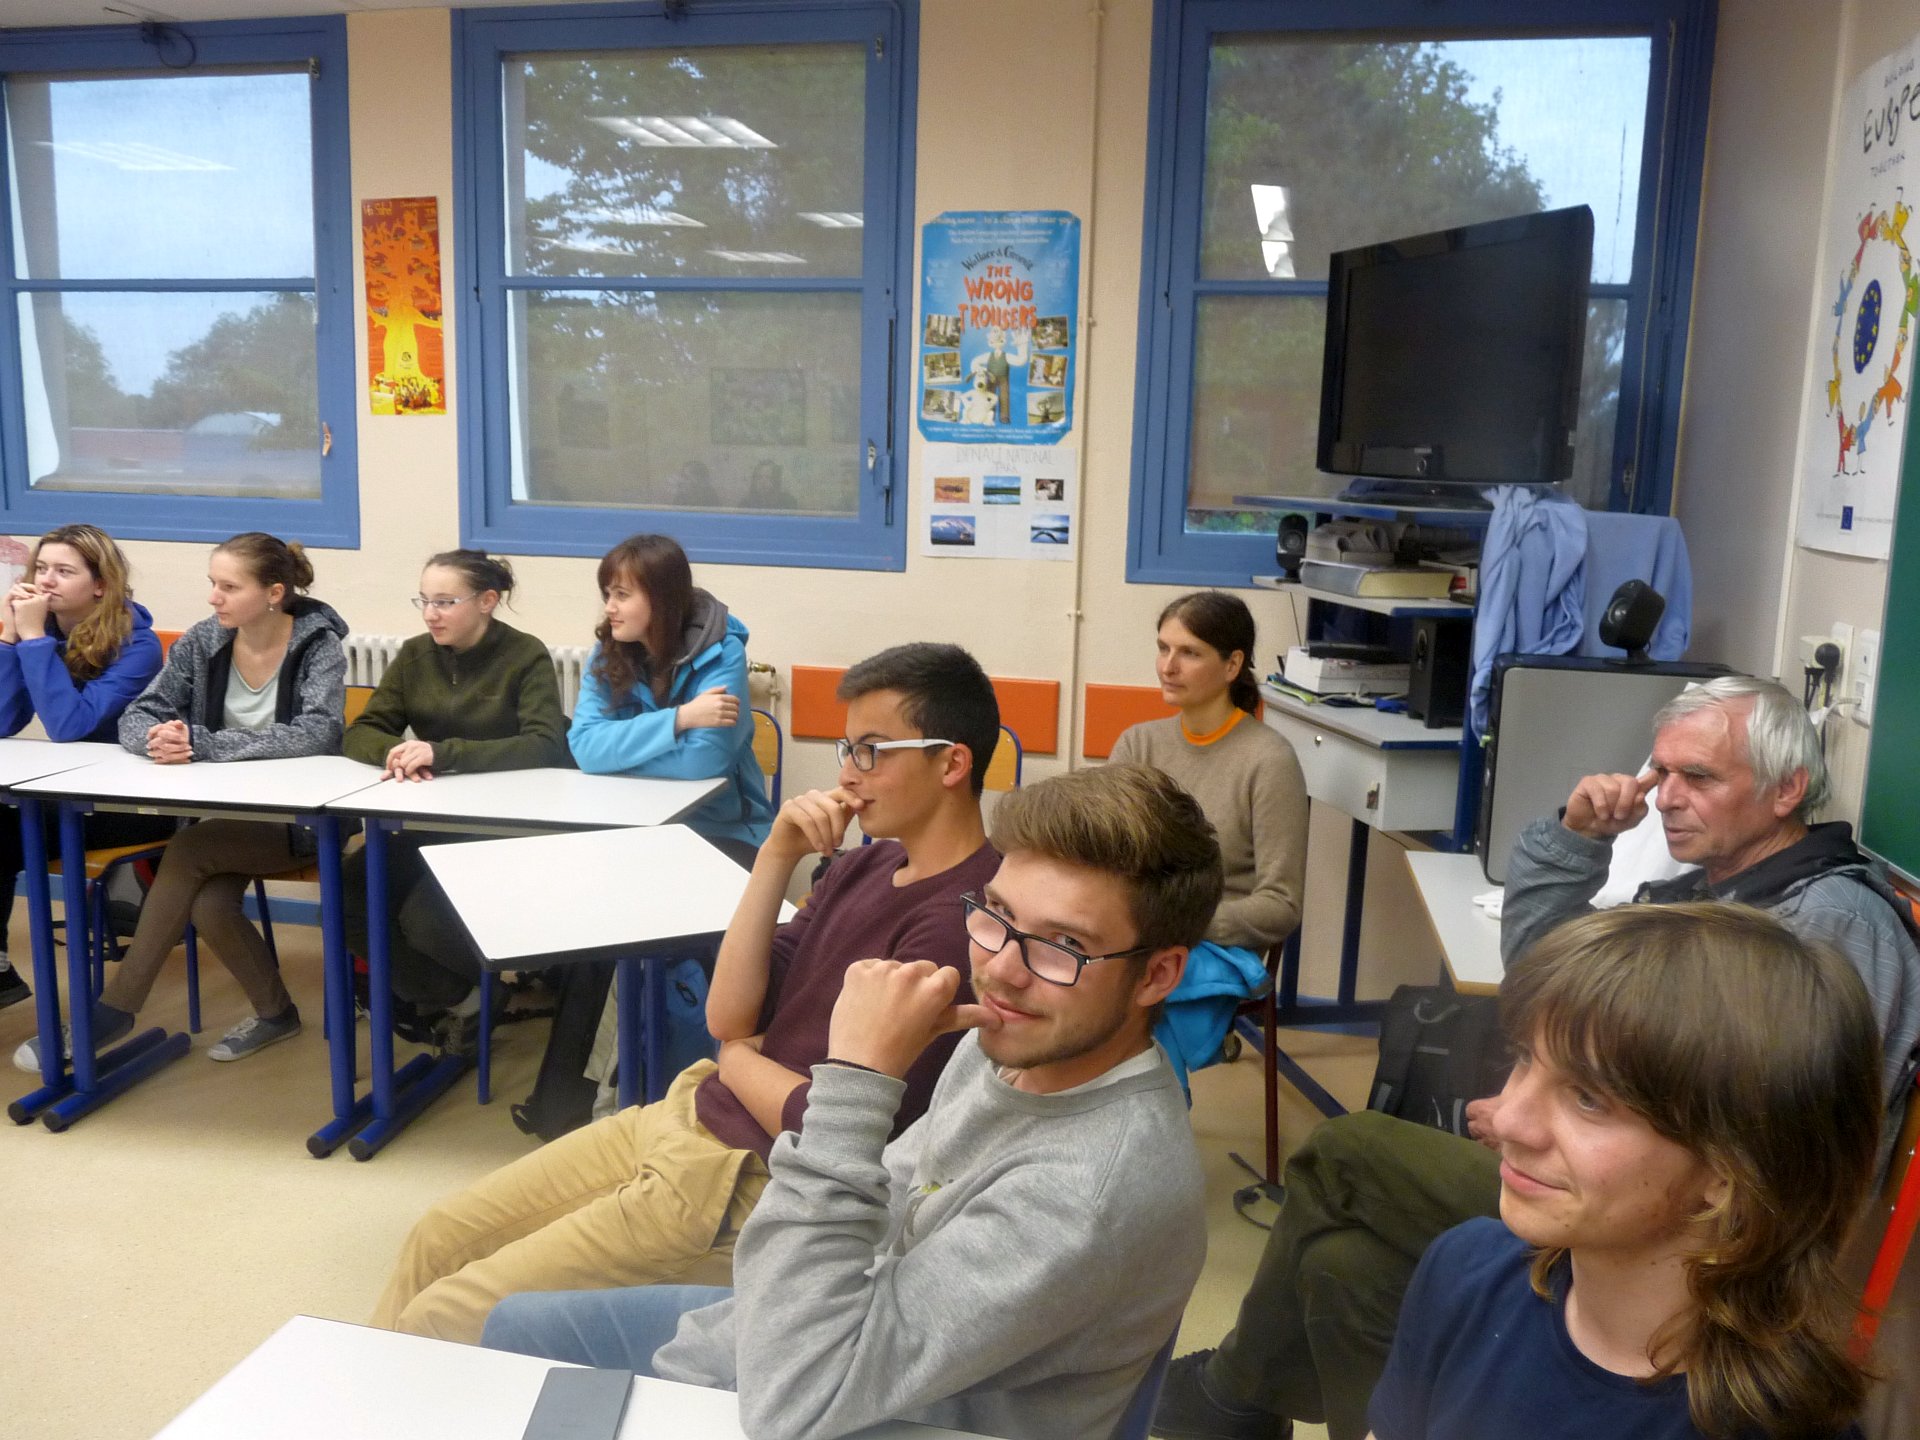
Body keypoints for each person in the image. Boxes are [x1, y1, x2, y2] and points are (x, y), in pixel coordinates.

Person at [1154, 674, 1920, 1440]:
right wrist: (1579, 842)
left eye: (1699, 777)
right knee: (1342, 1268)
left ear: (1788, 789)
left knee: (1347, 1151)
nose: (1665, 797)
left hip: (1694, 1250)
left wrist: (1570, 1116)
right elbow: (1543, 989)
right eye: (1661, 772)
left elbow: (1785, 1162)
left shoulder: (1828, 927)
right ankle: (1255, 1409)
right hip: (1640, 1204)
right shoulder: (1715, 892)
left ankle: (1228, 1400)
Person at [483, 763, 1219, 1440]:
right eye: (995, 913)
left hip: (895, 1410)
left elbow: (793, 1402)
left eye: (1062, 944)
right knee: (515, 1328)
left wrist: (858, 1079)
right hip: (840, 1331)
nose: (1000, 970)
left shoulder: (1088, 1193)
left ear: (1157, 976)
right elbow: (884, 1206)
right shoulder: (1009, 1041)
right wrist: (718, 1354)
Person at [370, 642, 1002, 1344]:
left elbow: (833, 1125)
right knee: (436, 1238)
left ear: (951, 763)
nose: (848, 773)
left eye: (872, 752)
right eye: (847, 749)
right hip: (693, 1111)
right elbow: (727, 1014)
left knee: (449, 1314)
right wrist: (776, 855)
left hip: (746, 1176)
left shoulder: (962, 925)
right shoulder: (868, 864)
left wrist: (737, 1058)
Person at [1369, 902, 1881, 1440]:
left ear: (1730, 1171)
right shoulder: (1464, 1270)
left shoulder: (1778, 1428)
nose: (1508, 1118)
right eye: (1523, 1057)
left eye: (1588, 1098)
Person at [10, 532, 347, 1072]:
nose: (213, 597)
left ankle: (114, 1010)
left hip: (301, 820)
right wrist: (158, 738)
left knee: (188, 852)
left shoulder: (318, 645)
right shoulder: (204, 639)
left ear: (273, 593)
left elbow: (319, 732)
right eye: (213, 583)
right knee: (210, 905)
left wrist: (203, 744)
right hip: (222, 815)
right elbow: (140, 713)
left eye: (229, 587)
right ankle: (277, 1014)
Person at [341, 550, 570, 1051]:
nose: (431, 614)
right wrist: (396, 753)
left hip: (501, 828)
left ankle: (482, 990)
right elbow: (361, 732)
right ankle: (467, 999)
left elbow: (544, 743)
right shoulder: (414, 655)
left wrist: (443, 754)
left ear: (487, 601)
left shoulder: (524, 654)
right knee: (346, 896)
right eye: (424, 601)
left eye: (445, 601)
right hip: (429, 822)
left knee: (424, 921)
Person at [1109, 590, 1307, 1083]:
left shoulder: (1269, 760)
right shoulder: (1138, 744)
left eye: (1190, 653)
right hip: (1136, 930)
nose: (1168, 666)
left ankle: (1146, 1120)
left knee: (1125, 998)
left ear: (1232, 665)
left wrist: (1180, 925)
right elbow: (1105, 859)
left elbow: (1281, 904)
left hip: (1216, 942)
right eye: (1163, 648)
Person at [0, 524, 168, 1011]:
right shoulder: (42, 631)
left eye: (64, 571)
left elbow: (70, 726)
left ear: (100, 584)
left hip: (133, 803)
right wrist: (9, 638)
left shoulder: (138, 645)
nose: (46, 580)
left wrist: (32, 638)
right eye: (41, 568)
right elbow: (3, 720)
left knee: (2, 831)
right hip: (66, 795)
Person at [568, 534, 772, 865]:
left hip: (721, 828)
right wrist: (680, 719)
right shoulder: (606, 653)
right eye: (608, 594)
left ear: (660, 599)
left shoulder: (723, 652)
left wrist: (616, 759)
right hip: (627, 821)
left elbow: (704, 761)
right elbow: (585, 749)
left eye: (622, 595)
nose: (609, 608)